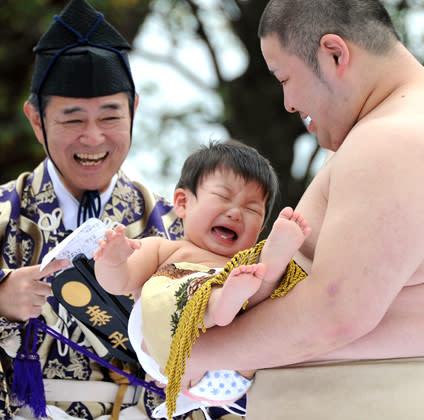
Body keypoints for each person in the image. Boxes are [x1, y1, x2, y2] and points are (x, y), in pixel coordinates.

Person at [173, 1, 424, 419]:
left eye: (285, 78)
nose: (289, 102)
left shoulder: (390, 139)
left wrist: (190, 353)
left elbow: (336, 311)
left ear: (334, 54)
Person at [0, 0, 184, 419]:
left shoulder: (175, 227)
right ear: (36, 119)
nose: (93, 137)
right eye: (72, 120)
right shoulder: (4, 215)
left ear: (134, 110)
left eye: (110, 116)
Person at [93, 141, 310, 419]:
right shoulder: (165, 250)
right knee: (183, 290)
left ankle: (271, 265)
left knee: (262, 290)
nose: (235, 212)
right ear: (183, 203)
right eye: (223, 196)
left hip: (234, 370)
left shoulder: (245, 268)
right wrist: (113, 261)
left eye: (252, 209)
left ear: (259, 231)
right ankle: (220, 301)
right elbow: (117, 283)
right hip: (167, 352)